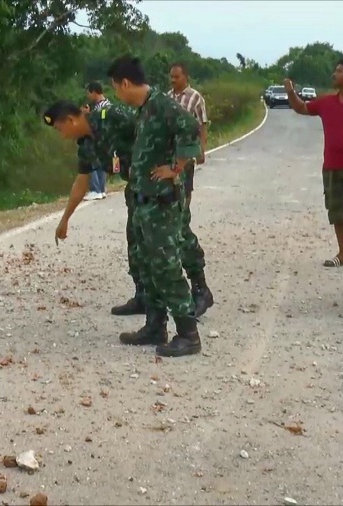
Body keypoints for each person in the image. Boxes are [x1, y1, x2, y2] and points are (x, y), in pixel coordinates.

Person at [107, 54, 203, 358]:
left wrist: (177, 167)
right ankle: (155, 325)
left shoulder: (161, 104)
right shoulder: (145, 109)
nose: (116, 95)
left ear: (125, 83)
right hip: (144, 202)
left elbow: (190, 127)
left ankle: (188, 334)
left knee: (166, 267)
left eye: (116, 88)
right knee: (148, 267)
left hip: (162, 204)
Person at [42, 100, 143, 315]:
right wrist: (65, 220)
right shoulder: (86, 145)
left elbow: (151, 128)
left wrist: (175, 164)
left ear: (70, 120)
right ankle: (143, 297)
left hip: (161, 181)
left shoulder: (111, 116)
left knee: (171, 239)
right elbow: (81, 182)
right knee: (136, 242)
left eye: (60, 129)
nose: (61, 135)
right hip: (138, 187)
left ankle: (198, 291)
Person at [284, 58, 343, 269]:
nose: (334, 74)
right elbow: (301, 108)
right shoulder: (327, 102)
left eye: (339, 71)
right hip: (332, 167)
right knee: (337, 212)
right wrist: (291, 92)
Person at [167, 61, 215, 317]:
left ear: (186, 77)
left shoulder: (195, 98)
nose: (173, 81)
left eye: (177, 77)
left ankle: (199, 289)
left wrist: (201, 149)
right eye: (171, 77)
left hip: (184, 160)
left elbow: (201, 124)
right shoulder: (166, 99)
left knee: (181, 215)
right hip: (170, 158)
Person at [81, 81, 111, 201]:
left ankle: (95, 189)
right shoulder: (101, 106)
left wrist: (88, 115)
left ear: (94, 92)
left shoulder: (104, 106)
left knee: (91, 162)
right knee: (100, 164)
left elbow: (99, 123)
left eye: (89, 93)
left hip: (100, 138)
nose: (88, 96)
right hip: (103, 139)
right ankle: (101, 189)